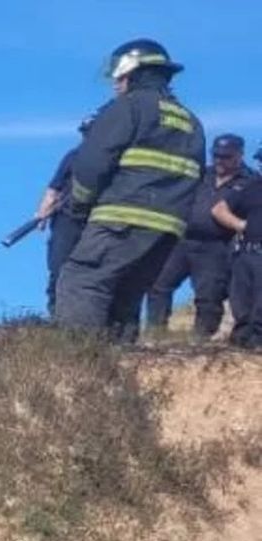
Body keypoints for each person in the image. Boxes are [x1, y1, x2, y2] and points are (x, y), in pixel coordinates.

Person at [53, 39, 206, 343]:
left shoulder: (129, 107)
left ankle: (77, 367)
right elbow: (197, 176)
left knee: (81, 281)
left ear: (134, 73)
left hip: (120, 218)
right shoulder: (191, 122)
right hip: (166, 231)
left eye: (119, 76)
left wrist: (80, 207)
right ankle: (119, 371)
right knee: (125, 297)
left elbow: (91, 164)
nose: (115, 84)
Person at [145, 134, 252, 340]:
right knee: (159, 284)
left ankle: (200, 340)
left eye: (226, 156)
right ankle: (154, 334)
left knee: (208, 296)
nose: (220, 160)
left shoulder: (250, 181)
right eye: (216, 155)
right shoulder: (201, 174)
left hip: (216, 246)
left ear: (239, 155)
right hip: (182, 241)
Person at [37, 117, 94, 314]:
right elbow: (54, 188)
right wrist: (43, 213)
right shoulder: (73, 156)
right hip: (67, 220)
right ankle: (56, 315)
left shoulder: (111, 161)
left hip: (95, 222)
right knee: (58, 268)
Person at [214, 168, 262, 347]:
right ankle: (241, 343)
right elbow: (219, 210)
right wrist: (241, 225)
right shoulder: (252, 188)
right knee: (240, 303)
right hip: (246, 253)